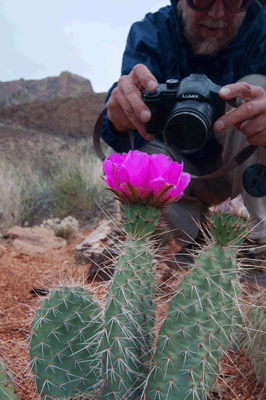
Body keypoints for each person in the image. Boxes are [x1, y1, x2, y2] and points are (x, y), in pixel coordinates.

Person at [100, 0, 266, 251]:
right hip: (181, 177)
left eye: (234, 1)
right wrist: (118, 117)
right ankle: (193, 245)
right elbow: (126, 114)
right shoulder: (152, 33)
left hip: (244, 168)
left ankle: (257, 245)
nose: (217, 13)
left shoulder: (261, 30)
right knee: (136, 146)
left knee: (256, 89)